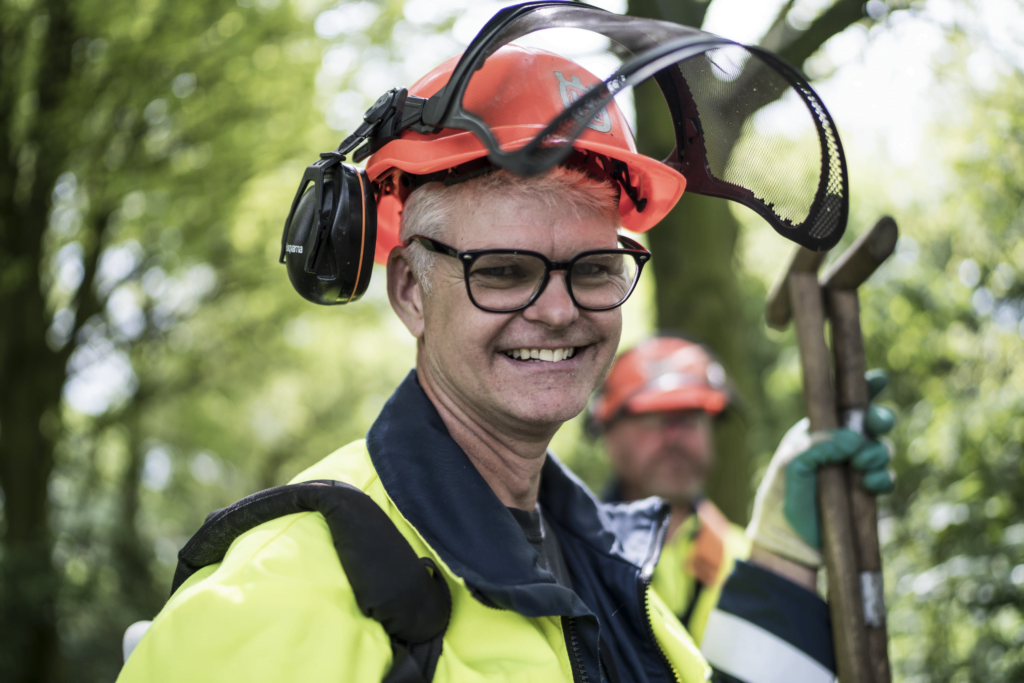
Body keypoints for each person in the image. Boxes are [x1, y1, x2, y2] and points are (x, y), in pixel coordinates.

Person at [118, 41, 895, 683]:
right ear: (410, 291)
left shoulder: (608, 572)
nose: (558, 309)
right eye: (503, 270)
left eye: (593, 267)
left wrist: (780, 561)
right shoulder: (282, 597)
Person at [589, 335, 751, 644]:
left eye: (689, 419)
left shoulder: (747, 563)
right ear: (609, 436)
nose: (674, 439)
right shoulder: (574, 561)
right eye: (652, 419)